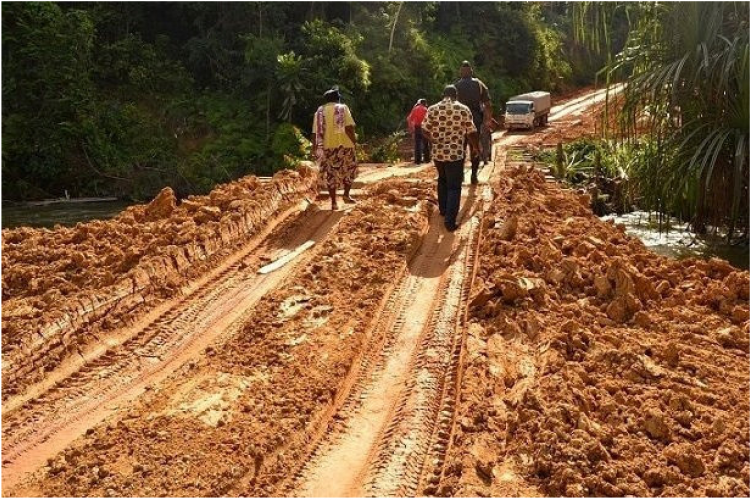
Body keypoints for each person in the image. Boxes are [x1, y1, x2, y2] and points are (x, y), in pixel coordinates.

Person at [422, 85, 479, 232]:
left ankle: (443, 209)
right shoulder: (463, 109)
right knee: (454, 186)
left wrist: (432, 140)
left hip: (438, 153)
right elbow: (471, 131)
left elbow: (424, 128)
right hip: (455, 154)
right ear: (456, 95)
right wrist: (475, 147)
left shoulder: (433, 109)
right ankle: (450, 221)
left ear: (443, 95)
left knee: (442, 179)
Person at [312, 88, 358, 210]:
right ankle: (346, 195)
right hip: (345, 145)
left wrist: (314, 148)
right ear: (338, 98)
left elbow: (315, 133)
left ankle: (333, 202)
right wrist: (354, 142)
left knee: (331, 174)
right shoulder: (343, 108)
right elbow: (349, 127)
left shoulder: (319, 112)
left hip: (327, 146)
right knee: (350, 169)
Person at [454, 61, 492, 184]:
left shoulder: (456, 87)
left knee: (460, 150)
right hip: (475, 121)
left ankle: (460, 176)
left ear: (461, 72)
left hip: (459, 122)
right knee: (475, 148)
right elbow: (488, 104)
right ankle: (474, 175)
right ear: (471, 71)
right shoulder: (479, 84)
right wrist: (488, 120)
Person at [407, 98, 430, 164]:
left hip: (417, 128)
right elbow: (428, 120)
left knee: (417, 144)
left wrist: (411, 128)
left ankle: (417, 160)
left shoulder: (415, 109)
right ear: (425, 104)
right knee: (425, 144)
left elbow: (410, 118)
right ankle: (427, 159)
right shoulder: (426, 110)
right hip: (424, 127)